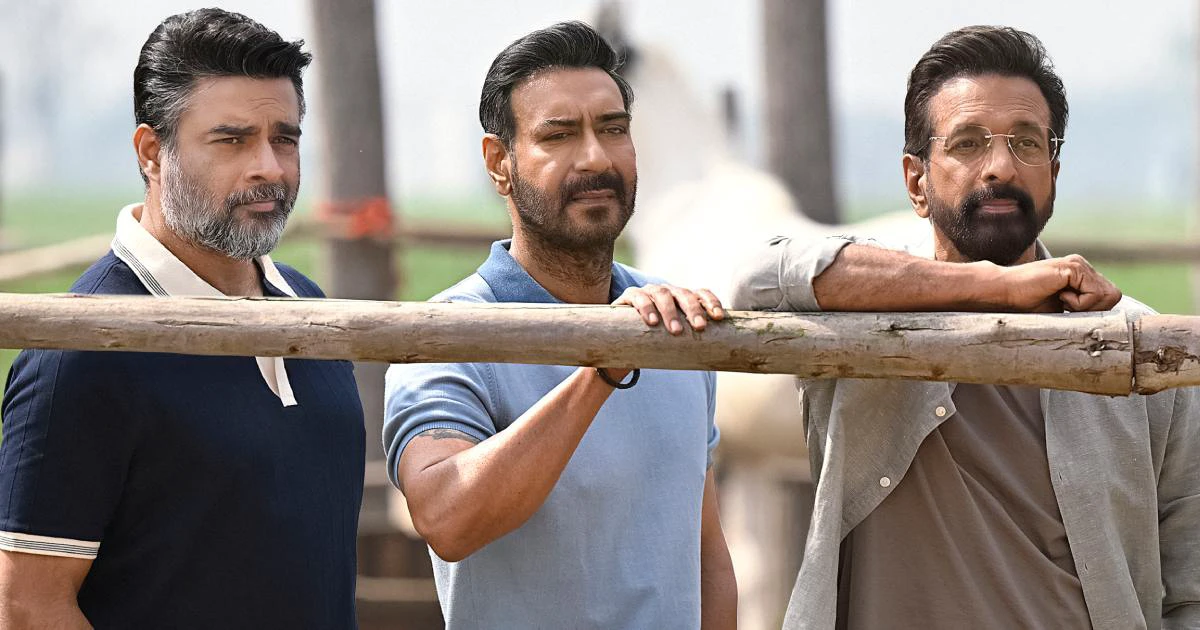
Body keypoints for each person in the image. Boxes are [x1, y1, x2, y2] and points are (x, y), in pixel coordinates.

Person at [732, 25, 1200, 630]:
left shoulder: (1139, 346)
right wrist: (995, 287)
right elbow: (758, 281)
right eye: (968, 144)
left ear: (1054, 172)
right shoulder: (857, 320)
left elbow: (1191, 581)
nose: (1001, 167)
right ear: (916, 182)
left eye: (1026, 143)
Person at [0, 10, 364, 628]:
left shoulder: (311, 310)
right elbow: (28, 606)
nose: (270, 167)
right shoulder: (82, 353)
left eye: (284, 138)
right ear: (152, 152)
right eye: (232, 140)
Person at [384, 21, 737, 630]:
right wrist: (602, 369)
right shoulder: (447, 336)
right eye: (559, 135)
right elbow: (446, 520)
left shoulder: (674, 322)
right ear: (499, 163)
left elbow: (705, 556)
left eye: (614, 129)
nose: (596, 158)